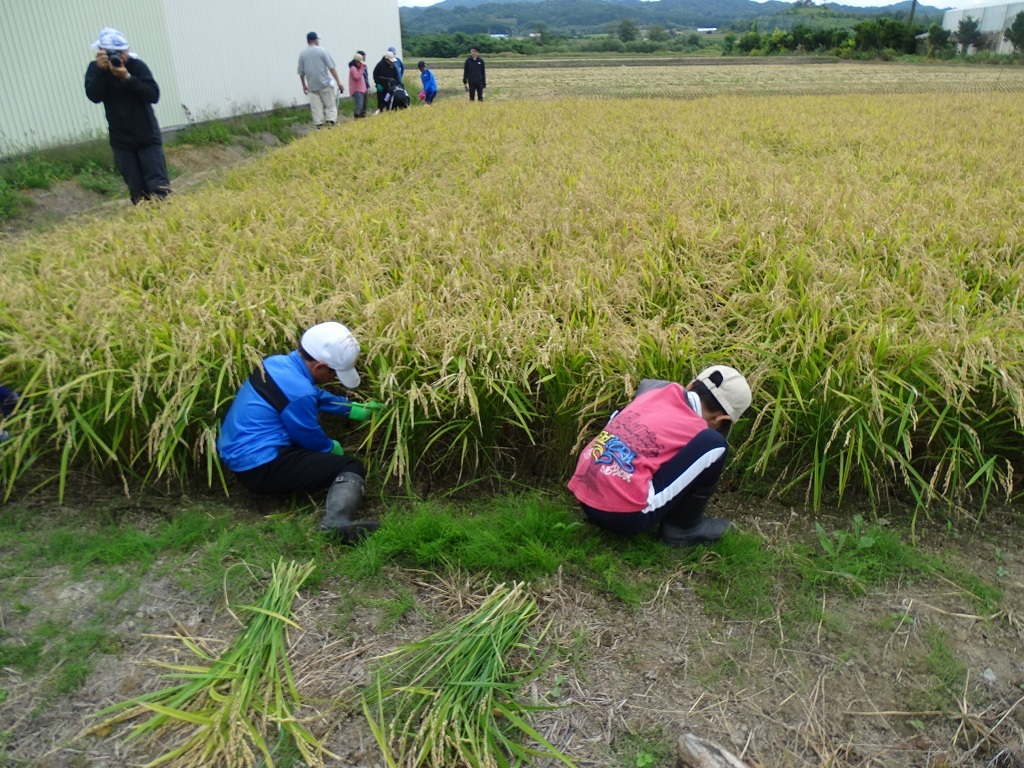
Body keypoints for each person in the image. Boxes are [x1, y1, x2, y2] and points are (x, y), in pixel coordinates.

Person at [217, 322, 385, 542]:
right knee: (349, 466)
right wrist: (330, 449)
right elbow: (309, 437)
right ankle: (335, 522)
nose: (334, 378)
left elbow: (310, 395)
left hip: (241, 456)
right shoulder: (301, 393)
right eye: (334, 373)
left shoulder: (274, 363)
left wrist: (351, 409)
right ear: (320, 367)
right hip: (261, 466)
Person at [567, 365, 752, 547]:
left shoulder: (654, 389)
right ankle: (683, 528)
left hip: (585, 492)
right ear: (721, 420)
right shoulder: (700, 431)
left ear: (691, 385)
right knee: (715, 444)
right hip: (624, 517)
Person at [84, 27, 170, 204]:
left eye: (122, 52)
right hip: (121, 141)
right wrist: (101, 72)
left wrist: (128, 77)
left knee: (159, 188)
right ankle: (147, 226)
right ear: (101, 53)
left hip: (147, 136)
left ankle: (168, 224)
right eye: (112, 53)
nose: (119, 57)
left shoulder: (137, 66)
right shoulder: (96, 70)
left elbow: (153, 95)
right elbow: (94, 96)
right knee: (137, 192)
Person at [298, 32, 344, 128]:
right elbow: (331, 67)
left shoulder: (302, 54)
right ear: (316, 40)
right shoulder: (322, 51)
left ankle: (319, 127)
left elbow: (301, 73)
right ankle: (330, 124)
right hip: (325, 84)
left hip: (312, 86)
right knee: (330, 106)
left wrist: (304, 85)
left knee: (316, 109)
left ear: (307, 41)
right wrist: (339, 82)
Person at [348, 53, 368, 118]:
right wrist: (362, 68)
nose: (361, 64)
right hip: (357, 90)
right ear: (356, 61)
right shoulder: (353, 68)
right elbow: (357, 77)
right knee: (359, 105)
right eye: (360, 62)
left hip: (361, 89)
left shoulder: (357, 68)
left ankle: (361, 117)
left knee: (362, 105)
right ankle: (357, 116)